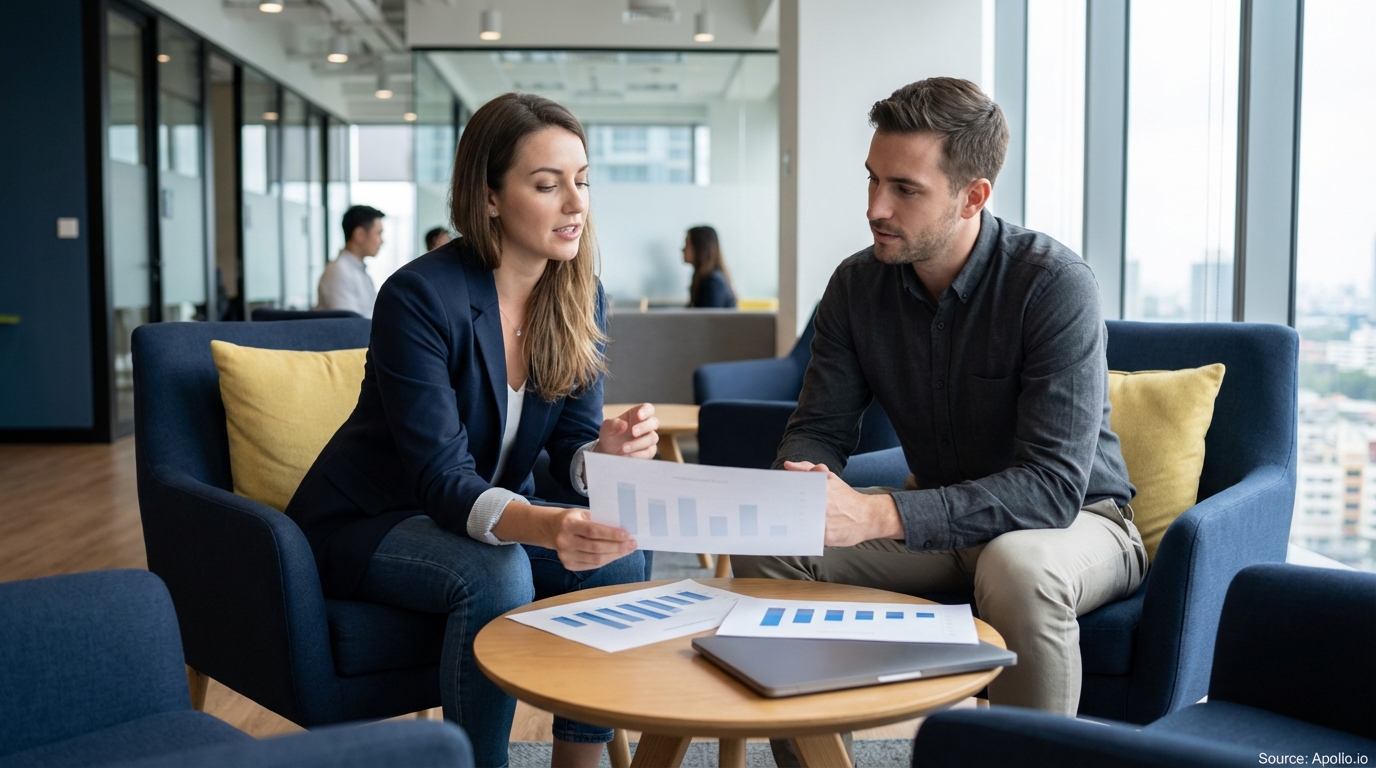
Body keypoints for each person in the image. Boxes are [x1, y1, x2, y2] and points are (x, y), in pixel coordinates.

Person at [733, 78, 1147, 722]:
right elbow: (819, 425)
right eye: (873, 179)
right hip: (939, 524)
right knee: (773, 541)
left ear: (972, 197)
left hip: (1075, 524)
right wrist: (803, 482)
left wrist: (876, 516)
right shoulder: (855, 286)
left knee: (1017, 565)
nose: (875, 207)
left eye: (905, 189)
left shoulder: (1053, 285)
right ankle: (813, 759)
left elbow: (1051, 487)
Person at [286, 93, 661, 768]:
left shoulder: (579, 292)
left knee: (619, 554)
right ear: (489, 198)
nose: (575, 204)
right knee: (497, 572)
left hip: (470, 511)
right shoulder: (420, 296)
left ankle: (578, 761)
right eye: (548, 185)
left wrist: (598, 454)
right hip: (371, 521)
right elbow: (440, 478)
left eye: (582, 181)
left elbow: (565, 448)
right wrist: (546, 526)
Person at [317, 205, 384, 318]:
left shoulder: (358, 270)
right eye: (378, 233)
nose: (382, 241)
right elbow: (351, 323)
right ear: (360, 235)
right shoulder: (339, 271)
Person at [683, 225, 737, 308]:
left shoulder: (713, 282)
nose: (682, 249)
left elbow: (707, 320)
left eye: (687, 244)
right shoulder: (707, 278)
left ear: (700, 248)